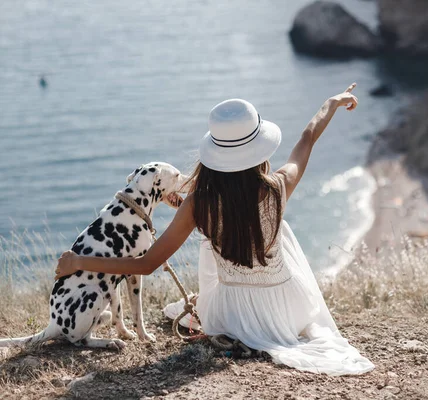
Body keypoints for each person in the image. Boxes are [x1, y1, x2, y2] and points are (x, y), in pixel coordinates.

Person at [55, 83, 374, 375]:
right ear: (260, 150)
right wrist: (331, 103)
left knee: (210, 246)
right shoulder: (279, 186)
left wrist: (79, 261)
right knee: (277, 231)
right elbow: (307, 139)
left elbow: (146, 264)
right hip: (289, 310)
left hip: (232, 317)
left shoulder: (198, 204)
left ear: (216, 155)